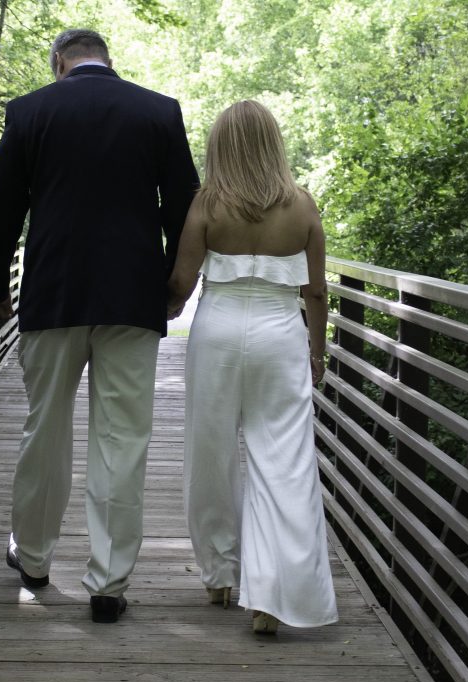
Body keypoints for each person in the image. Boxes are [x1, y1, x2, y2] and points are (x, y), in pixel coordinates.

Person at [0, 29, 200, 623]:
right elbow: (186, 207)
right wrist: (177, 286)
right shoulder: (158, 111)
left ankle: (36, 560)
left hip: (52, 295)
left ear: (59, 64)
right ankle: (108, 583)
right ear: (109, 61)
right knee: (123, 439)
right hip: (132, 297)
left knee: (44, 428)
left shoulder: (29, 113)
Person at [167, 99, 338, 636]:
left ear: (222, 145)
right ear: (273, 144)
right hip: (280, 334)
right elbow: (315, 292)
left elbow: (180, 285)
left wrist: (157, 310)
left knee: (210, 450)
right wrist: (317, 353)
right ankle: (273, 596)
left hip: (217, 330)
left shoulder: (206, 205)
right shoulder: (303, 206)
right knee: (283, 462)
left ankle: (220, 574)